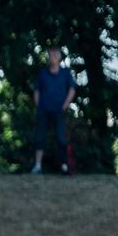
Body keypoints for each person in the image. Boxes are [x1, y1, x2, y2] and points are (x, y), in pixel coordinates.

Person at [30, 46, 76, 174]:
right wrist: (38, 105)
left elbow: (72, 89)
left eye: (55, 55)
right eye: (50, 55)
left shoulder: (65, 73)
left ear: (59, 57)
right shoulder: (43, 73)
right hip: (43, 110)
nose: (53, 57)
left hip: (59, 110)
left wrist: (65, 105)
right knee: (40, 137)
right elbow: (36, 90)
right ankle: (38, 166)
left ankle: (64, 166)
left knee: (61, 138)